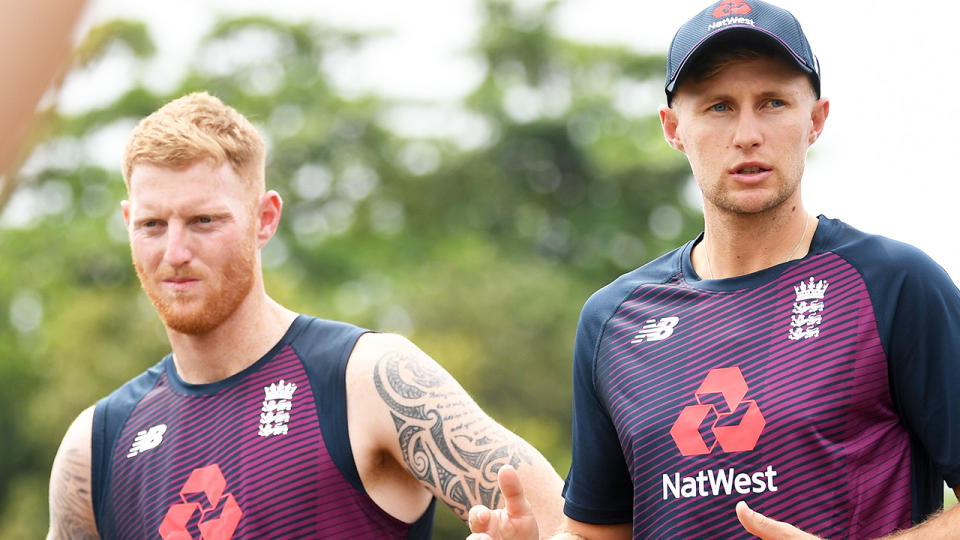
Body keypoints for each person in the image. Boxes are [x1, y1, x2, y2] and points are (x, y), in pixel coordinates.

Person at [467, 1, 960, 538]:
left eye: (772, 102)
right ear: (674, 128)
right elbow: (597, 532)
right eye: (719, 107)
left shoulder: (893, 285)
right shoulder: (613, 320)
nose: (747, 133)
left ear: (815, 119)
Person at [45, 91, 565, 539]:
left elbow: (568, 525)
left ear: (264, 219)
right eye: (153, 224)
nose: (175, 251)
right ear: (127, 221)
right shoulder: (96, 445)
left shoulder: (366, 381)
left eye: (204, 221)